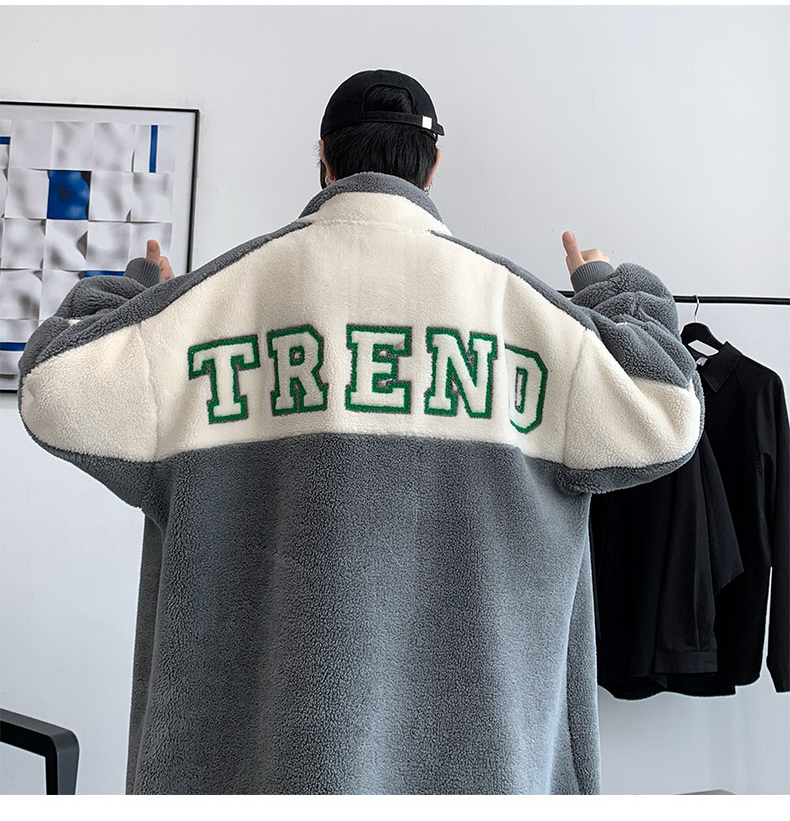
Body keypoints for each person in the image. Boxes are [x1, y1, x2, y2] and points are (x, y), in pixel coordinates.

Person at [17, 69, 705, 795]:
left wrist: (140, 295)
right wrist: (612, 290)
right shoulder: (523, 313)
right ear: (432, 166)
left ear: (324, 158)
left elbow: (52, 383)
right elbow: (668, 402)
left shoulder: (210, 304)